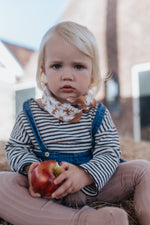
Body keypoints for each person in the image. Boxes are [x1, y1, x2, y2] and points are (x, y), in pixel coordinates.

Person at [0, 21, 150, 225]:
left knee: (144, 169)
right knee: (2, 184)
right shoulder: (30, 112)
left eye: (78, 66)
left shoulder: (97, 113)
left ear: (92, 74)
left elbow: (110, 151)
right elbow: (16, 147)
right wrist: (29, 168)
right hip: (44, 192)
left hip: (93, 186)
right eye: (57, 66)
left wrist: (86, 175)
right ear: (44, 70)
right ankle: (82, 220)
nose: (67, 75)